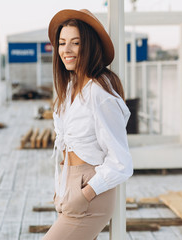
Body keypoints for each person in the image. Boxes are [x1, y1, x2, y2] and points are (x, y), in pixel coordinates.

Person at [43, 9, 133, 240]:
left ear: (90, 46)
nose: (67, 50)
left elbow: (121, 162)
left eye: (76, 42)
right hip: (69, 187)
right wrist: (63, 190)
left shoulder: (98, 93)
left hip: (91, 194)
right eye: (62, 43)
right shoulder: (70, 89)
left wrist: (84, 195)